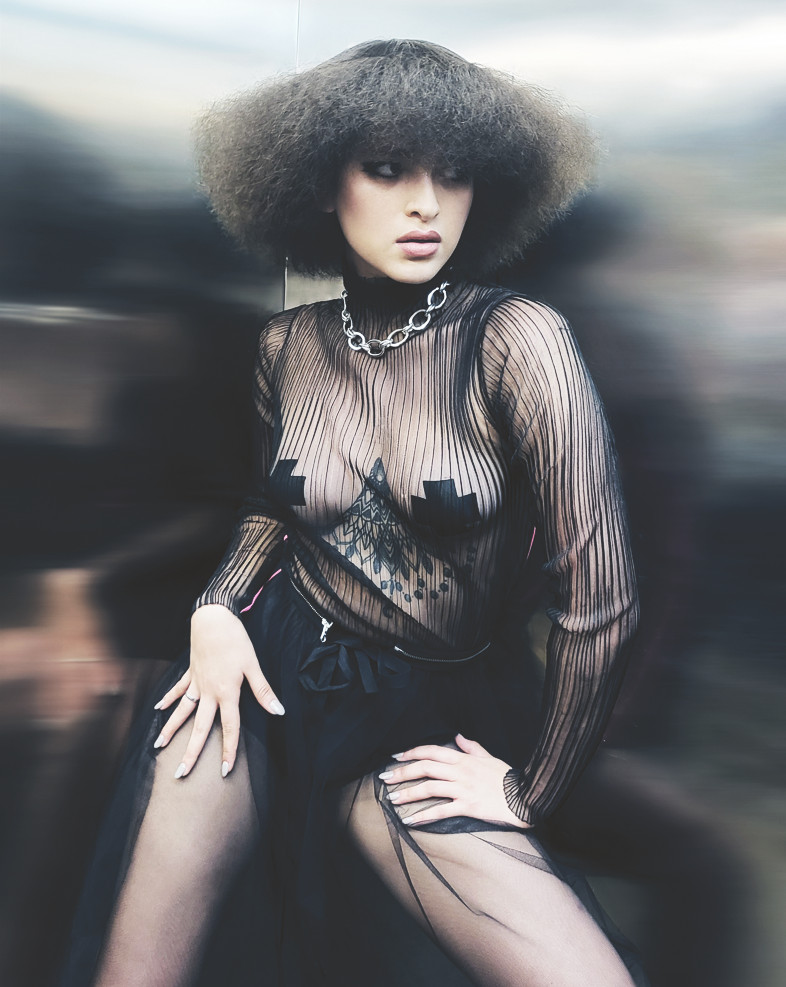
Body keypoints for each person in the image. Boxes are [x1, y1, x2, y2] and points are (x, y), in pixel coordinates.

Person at [60, 39, 646, 986]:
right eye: (387, 169)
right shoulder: (286, 345)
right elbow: (274, 507)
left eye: (452, 174)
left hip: (425, 720)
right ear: (319, 184)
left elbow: (603, 600)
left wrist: (528, 787)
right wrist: (216, 608)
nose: (426, 204)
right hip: (264, 677)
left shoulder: (515, 339)